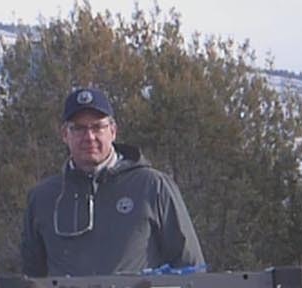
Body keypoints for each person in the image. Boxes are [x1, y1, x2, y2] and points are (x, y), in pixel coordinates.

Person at [20, 87, 205, 277]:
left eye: (97, 127)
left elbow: (191, 268)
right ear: (65, 135)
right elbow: (32, 280)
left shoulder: (153, 186)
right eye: (79, 128)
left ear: (113, 131)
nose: (89, 137)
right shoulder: (42, 198)